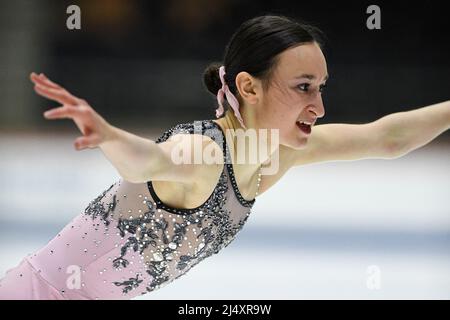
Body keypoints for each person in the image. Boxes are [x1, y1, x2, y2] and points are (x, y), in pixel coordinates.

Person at [0, 14, 448, 300]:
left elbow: (387, 138)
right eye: (303, 87)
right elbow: (148, 162)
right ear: (249, 87)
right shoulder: (203, 151)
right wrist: (110, 135)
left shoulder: (273, 156)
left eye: (321, 88)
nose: (319, 107)